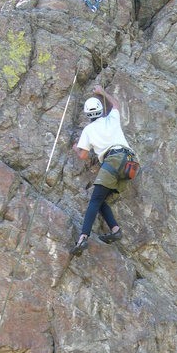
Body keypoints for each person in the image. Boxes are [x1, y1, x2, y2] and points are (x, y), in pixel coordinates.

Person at [71, 85, 136, 256]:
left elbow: (83, 155)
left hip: (113, 160)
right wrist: (103, 93)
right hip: (129, 162)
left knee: (94, 201)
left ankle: (83, 238)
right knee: (100, 201)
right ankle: (115, 230)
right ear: (101, 110)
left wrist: (76, 148)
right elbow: (116, 106)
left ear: (87, 114)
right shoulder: (111, 118)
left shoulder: (88, 130)